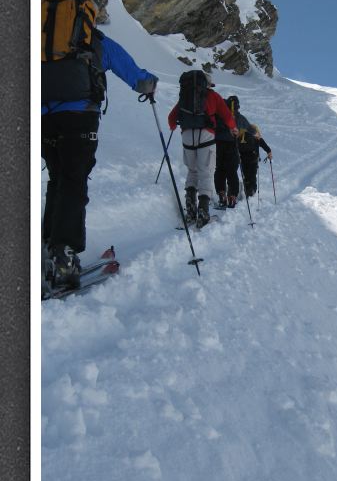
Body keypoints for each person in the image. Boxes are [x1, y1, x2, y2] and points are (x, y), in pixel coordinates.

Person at [42, 27, 158, 290]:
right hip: (79, 115)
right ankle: (64, 257)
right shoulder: (93, 40)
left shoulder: (44, 36)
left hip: (43, 116)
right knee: (73, 180)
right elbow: (133, 74)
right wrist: (149, 85)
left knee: (57, 177)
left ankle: (47, 245)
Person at [167, 72, 238, 226]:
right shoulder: (212, 96)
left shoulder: (185, 97)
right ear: (207, 84)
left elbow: (171, 118)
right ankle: (204, 212)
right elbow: (227, 116)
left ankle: (191, 209)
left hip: (187, 136)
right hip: (206, 135)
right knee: (206, 173)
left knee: (192, 171)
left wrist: (174, 126)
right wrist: (233, 128)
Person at [214, 95, 258, 208]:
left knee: (220, 169)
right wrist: (255, 131)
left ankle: (221, 193)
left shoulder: (220, 114)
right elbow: (250, 129)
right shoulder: (239, 117)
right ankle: (232, 196)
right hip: (232, 145)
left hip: (218, 145)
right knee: (232, 171)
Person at [238, 123, 272, 198]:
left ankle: (247, 190)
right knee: (252, 176)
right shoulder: (256, 137)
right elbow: (264, 146)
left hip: (243, 160)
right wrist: (269, 152)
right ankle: (252, 191)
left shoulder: (241, 136)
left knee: (246, 176)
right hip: (253, 159)